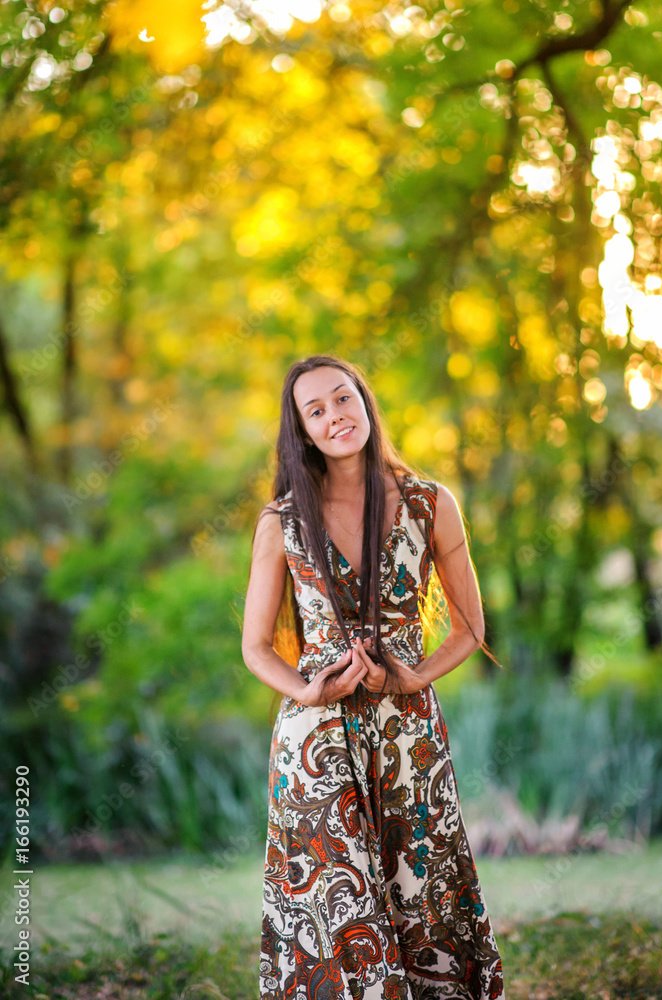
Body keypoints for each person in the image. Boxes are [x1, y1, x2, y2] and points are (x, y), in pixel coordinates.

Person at [242, 355, 505, 1000]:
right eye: (316, 410)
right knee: (334, 915)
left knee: (425, 900)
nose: (335, 416)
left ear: (365, 401)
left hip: (407, 741)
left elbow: (470, 626)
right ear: (302, 430)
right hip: (318, 747)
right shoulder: (281, 521)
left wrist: (412, 679)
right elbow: (255, 648)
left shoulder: (430, 502)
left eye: (343, 398)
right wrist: (307, 691)